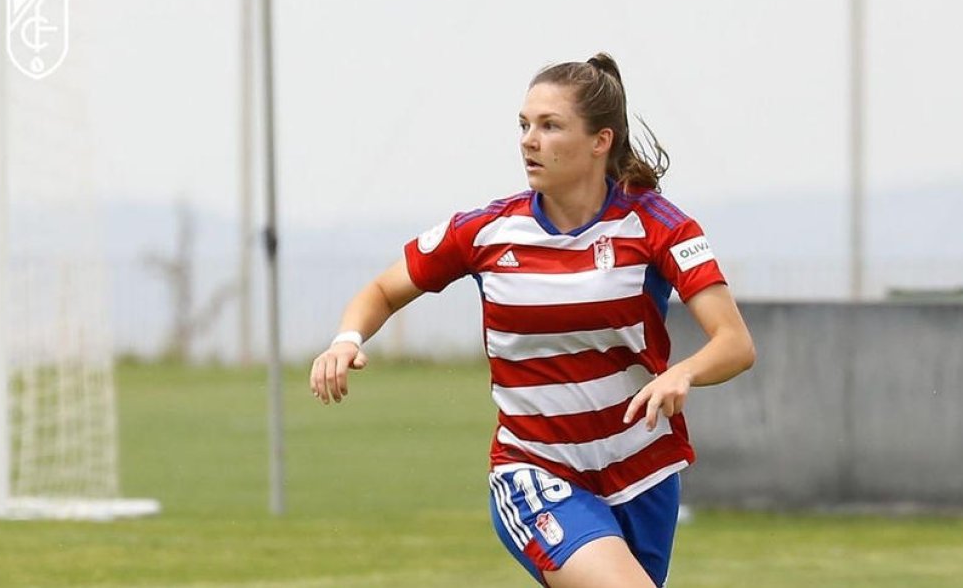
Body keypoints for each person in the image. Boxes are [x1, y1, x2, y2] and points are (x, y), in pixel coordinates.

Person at [310, 53, 756, 588]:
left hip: (644, 474)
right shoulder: (485, 232)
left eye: (549, 126)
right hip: (535, 470)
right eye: (524, 125)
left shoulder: (658, 225)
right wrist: (345, 339)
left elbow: (734, 343)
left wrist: (682, 372)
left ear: (601, 141)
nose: (528, 140)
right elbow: (383, 289)